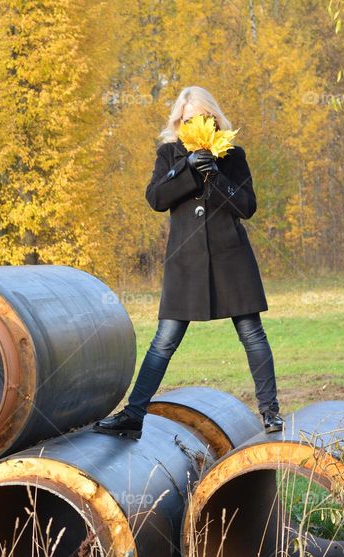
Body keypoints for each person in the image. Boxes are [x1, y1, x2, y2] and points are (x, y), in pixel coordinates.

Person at [94, 86, 284, 440]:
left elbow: (247, 207)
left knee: (252, 335)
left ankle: (271, 413)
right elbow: (156, 198)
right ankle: (134, 414)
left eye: (203, 116)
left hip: (231, 260)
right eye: (188, 119)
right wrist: (186, 168)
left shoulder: (233, 154)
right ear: (178, 122)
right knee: (164, 341)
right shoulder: (168, 154)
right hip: (185, 264)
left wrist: (215, 175)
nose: (197, 123)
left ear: (214, 117)